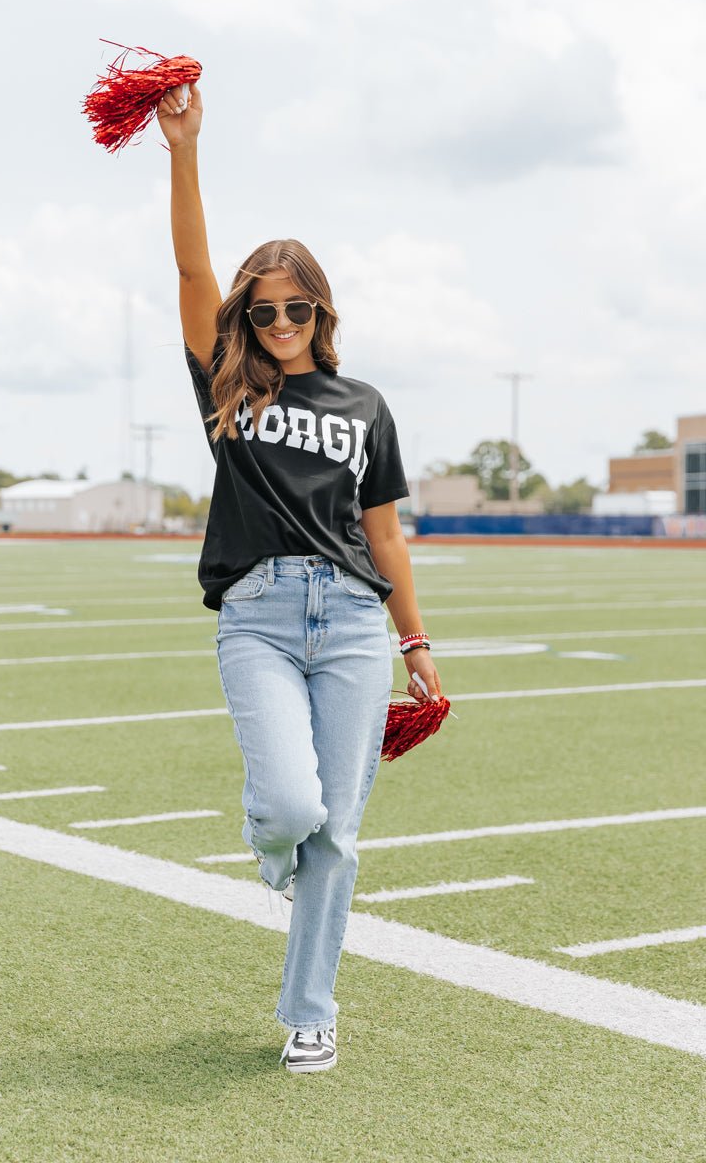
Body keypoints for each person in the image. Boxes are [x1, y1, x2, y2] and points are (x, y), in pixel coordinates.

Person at [158, 80, 443, 1075]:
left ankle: (308, 1011)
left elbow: (386, 537)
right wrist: (183, 150)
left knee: (341, 834)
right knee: (290, 811)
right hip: (261, 616)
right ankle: (270, 847)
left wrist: (413, 643)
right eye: (263, 307)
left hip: (357, 623)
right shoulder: (229, 385)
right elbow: (193, 265)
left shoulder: (365, 404)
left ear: (321, 307)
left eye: (296, 306)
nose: (278, 320)